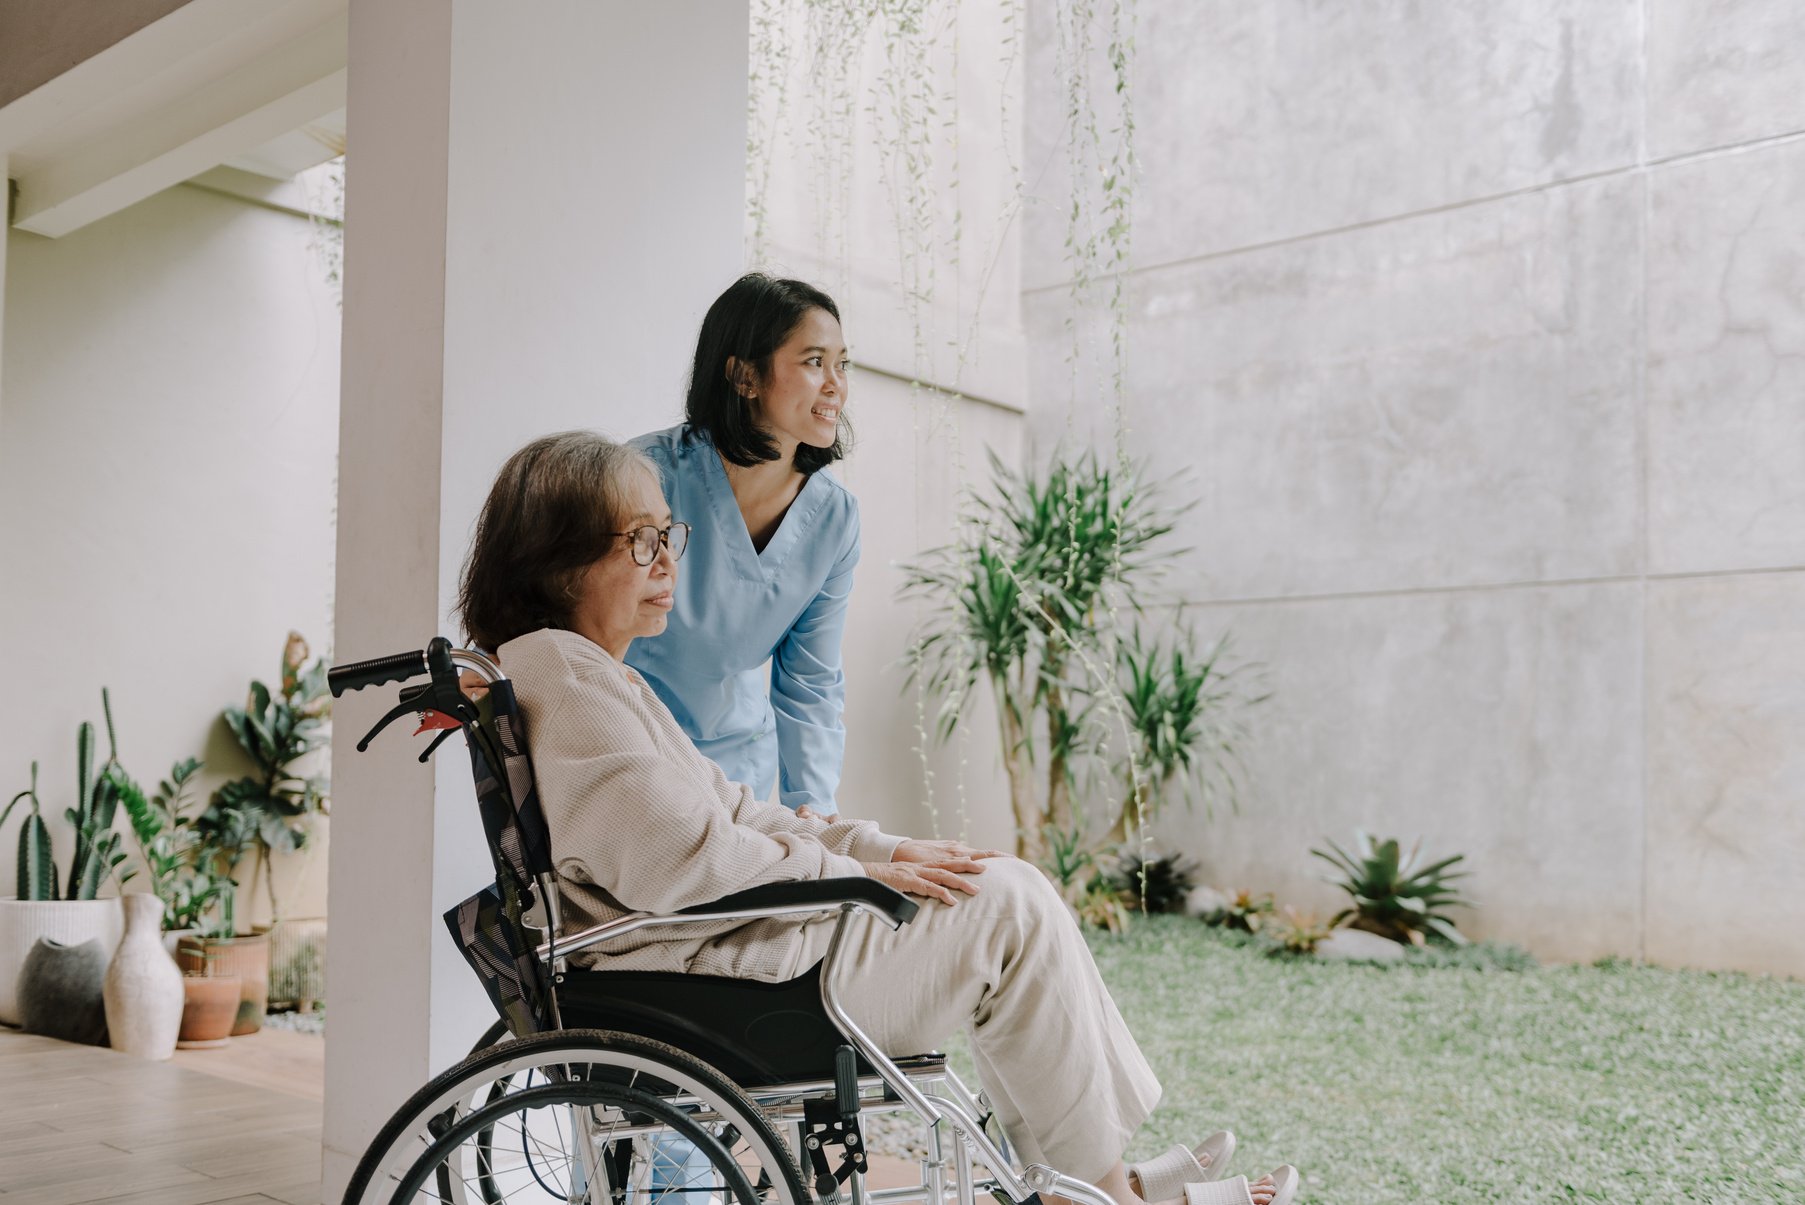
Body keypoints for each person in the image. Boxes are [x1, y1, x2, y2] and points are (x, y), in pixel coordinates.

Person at [453, 431, 1299, 1205]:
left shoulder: (582, 672)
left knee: (996, 886)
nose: (666, 560)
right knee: (1009, 903)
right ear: (557, 561)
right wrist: (854, 875)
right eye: (637, 540)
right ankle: (1101, 1191)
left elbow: (736, 810)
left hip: (720, 955)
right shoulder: (568, 677)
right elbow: (680, 858)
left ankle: (1082, 1181)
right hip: (718, 977)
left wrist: (881, 847)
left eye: (666, 535)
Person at [627, 274, 859, 816]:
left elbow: (811, 682)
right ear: (744, 375)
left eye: (842, 364)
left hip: (739, 780)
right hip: (632, 753)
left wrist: (815, 811)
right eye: (813, 361)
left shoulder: (835, 518)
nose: (836, 385)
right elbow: (574, 623)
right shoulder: (643, 476)